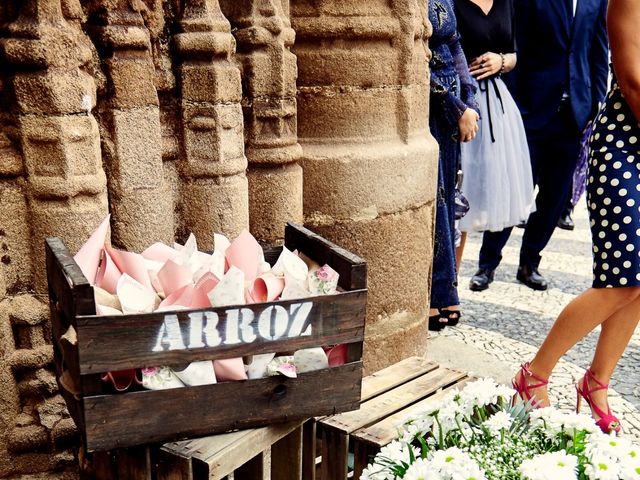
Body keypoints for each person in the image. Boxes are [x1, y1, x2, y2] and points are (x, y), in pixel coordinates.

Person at [512, 0, 640, 435]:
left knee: (638, 284)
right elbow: (632, 80)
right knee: (618, 280)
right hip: (625, 146)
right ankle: (533, 375)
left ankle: (596, 384)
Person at [468, 0, 609, 292]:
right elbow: (518, 43)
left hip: (574, 115)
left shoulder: (597, 1)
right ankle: (487, 264)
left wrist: (594, 104)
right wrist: (518, 104)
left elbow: (598, 51)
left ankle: (530, 263)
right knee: (515, 187)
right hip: (532, 109)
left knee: (554, 197)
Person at [453, 0, 535, 289]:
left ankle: (478, 270)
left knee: (488, 187)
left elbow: (516, 53)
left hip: (498, 106)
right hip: (461, 101)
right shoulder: (451, 2)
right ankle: (449, 286)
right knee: (457, 195)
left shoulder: (507, 2)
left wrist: (502, 61)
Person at [427, 0, 479, 330]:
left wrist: (470, 98)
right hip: (433, 106)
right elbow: (416, 58)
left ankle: (445, 290)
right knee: (437, 197)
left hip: (454, 110)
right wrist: (456, 106)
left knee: (448, 199)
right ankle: (438, 293)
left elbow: (455, 43)